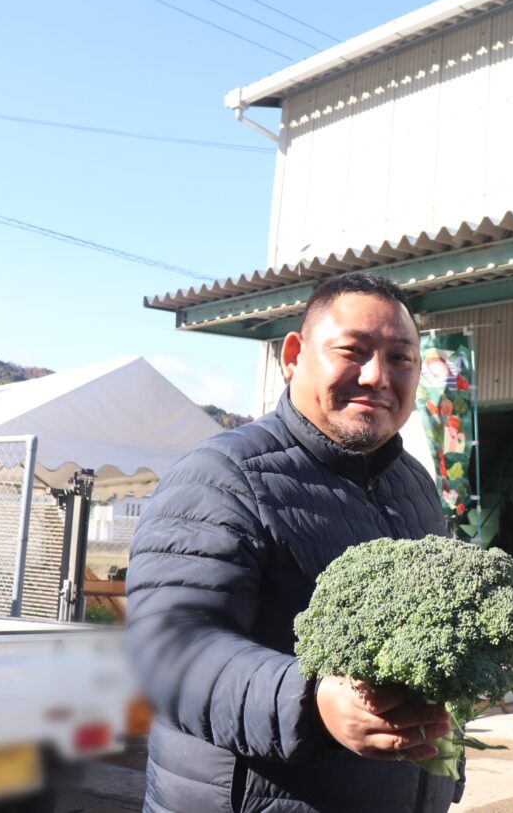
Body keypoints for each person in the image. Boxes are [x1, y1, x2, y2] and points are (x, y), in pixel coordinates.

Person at [127, 273, 457, 813]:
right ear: (294, 355)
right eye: (352, 351)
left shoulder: (414, 485)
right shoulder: (223, 476)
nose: (376, 376)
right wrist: (313, 702)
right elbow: (166, 649)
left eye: (401, 359)